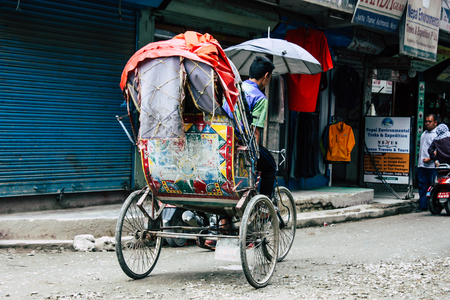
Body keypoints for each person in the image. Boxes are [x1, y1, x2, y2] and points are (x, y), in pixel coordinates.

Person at [223, 56, 277, 198]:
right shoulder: (260, 98)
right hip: (241, 143)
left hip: (223, 141)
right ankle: (265, 209)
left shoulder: (233, 89)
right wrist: (254, 158)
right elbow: (255, 132)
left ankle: (223, 220)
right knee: (271, 165)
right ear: (266, 76)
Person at [417, 114, 438, 211]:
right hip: (422, 166)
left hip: (432, 166)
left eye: (430, 121)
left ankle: (433, 206)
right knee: (422, 186)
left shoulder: (437, 135)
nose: (427, 123)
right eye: (426, 121)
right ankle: (423, 206)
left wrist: (430, 158)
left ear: (435, 122)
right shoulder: (423, 134)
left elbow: (438, 150)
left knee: (432, 187)